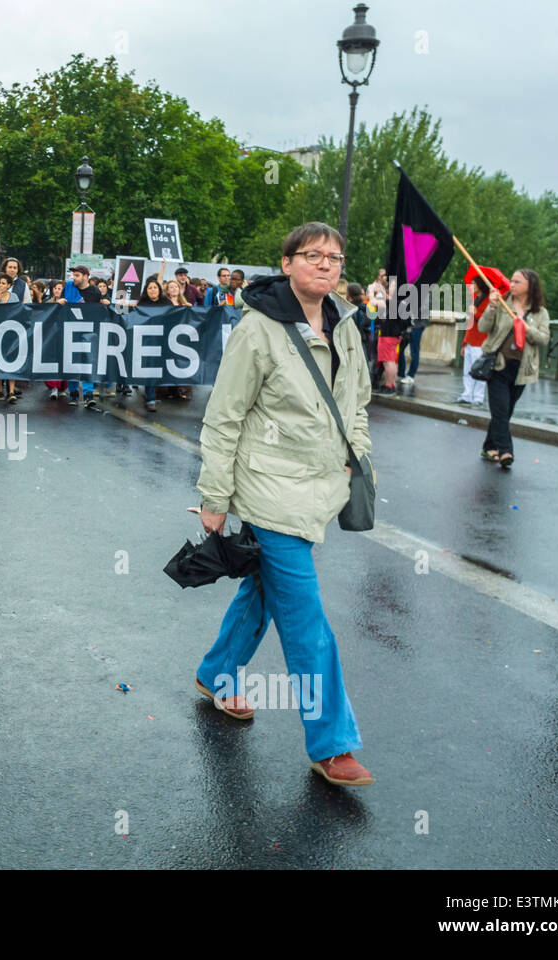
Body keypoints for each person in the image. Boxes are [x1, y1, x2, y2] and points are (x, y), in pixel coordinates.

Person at [195, 222, 374, 787]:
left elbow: (359, 402)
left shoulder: (346, 322)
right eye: (313, 255)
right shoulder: (258, 329)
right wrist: (214, 497)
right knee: (306, 618)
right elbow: (224, 417)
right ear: (288, 262)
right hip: (269, 489)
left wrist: (356, 456)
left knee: (265, 590)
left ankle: (217, 672)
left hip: (319, 488)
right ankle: (333, 743)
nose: (326, 265)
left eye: (336, 257)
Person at [476, 269, 550, 468]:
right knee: (500, 411)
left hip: (522, 370)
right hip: (499, 366)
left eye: (517, 281)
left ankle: (488, 446)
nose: (512, 284)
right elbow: (483, 328)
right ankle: (505, 450)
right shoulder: (502, 304)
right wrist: (491, 306)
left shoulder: (540, 313)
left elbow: (544, 338)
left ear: (530, 286)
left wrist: (527, 329)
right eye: (512, 280)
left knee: (505, 411)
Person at [457, 266, 508, 406]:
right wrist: (464, 343)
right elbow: (470, 324)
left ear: (480, 285)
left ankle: (477, 397)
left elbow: (488, 322)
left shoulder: (488, 302)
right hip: (470, 340)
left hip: (481, 342)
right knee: (467, 370)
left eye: (474, 283)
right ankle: (466, 394)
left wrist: (476, 313)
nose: (472, 286)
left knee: (479, 370)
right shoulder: (475, 300)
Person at [62, 265, 104, 409]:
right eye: (73, 275)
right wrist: (58, 302)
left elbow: (104, 309)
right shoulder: (68, 287)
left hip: (89, 332)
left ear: (86, 276)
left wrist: (106, 303)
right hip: (71, 331)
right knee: (72, 363)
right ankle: (73, 393)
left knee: (88, 363)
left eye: (77, 275)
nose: (74, 278)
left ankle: (88, 395)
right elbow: (58, 304)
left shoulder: (95, 292)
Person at [137, 276, 173, 411]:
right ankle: (150, 398)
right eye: (150, 288)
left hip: (163, 340)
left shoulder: (166, 303)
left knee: (160, 368)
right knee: (151, 368)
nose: (153, 290)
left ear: (159, 290)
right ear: (146, 291)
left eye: (155, 288)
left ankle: (156, 394)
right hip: (148, 341)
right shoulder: (142, 304)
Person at [0, 273, 22, 402]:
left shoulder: (14, 297)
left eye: (3, 283)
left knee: (11, 361)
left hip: (11, 332)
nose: (1, 286)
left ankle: (11, 391)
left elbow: (18, 312)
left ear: (9, 285)